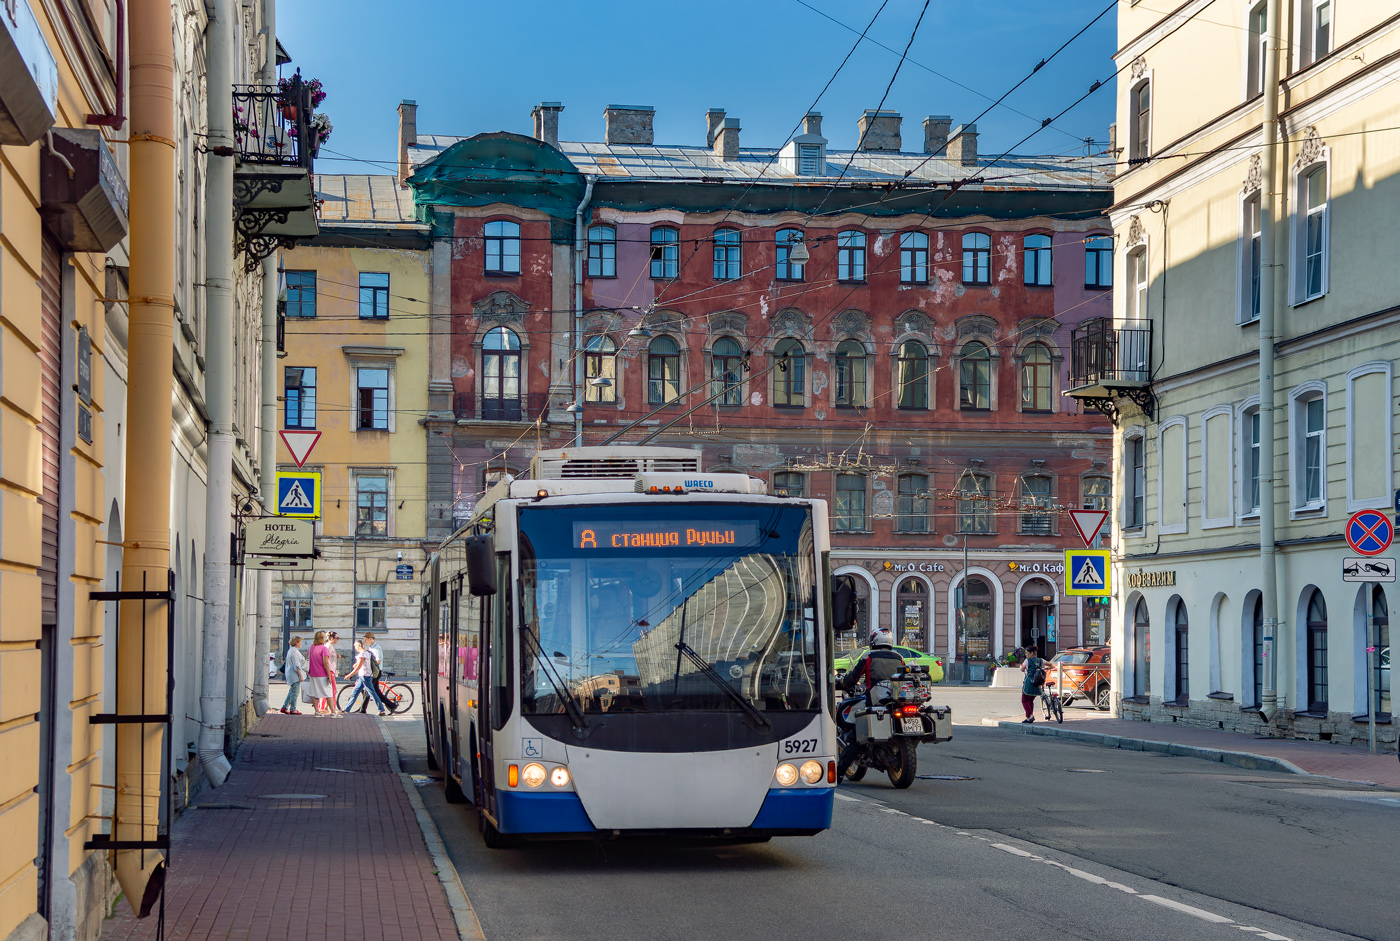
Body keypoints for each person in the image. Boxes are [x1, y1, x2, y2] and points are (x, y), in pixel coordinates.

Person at [838, 629, 906, 701]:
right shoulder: (899, 658)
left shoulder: (869, 656)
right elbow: (904, 676)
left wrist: (844, 682)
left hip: (873, 698)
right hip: (896, 699)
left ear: (875, 640)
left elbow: (855, 675)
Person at [344, 639, 388, 716]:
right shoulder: (367, 653)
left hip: (365, 676)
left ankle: (381, 710)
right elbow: (360, 665)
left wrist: (350, 675)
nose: (355, 648)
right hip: (363, 676)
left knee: (372, 693)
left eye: (355, 646)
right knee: (355, 693)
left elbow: (358, 667)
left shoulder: (363, 654)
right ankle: (346, 710)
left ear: (358, 645)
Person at [303, 630, 333, 717]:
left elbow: (308, 655)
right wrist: (329, 675)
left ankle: (317, 711)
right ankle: (333, 712)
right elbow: (325, 663)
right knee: (328, 693)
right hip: (322, 674)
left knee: (314, 693)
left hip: (312, 673)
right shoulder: (324, 649)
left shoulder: (311, 647)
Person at [355, 631, 385, 714]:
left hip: (375, 672)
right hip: (371, 673)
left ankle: (364, 710)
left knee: (369, 691)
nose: (365, 642)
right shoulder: (370, 648)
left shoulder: (377, 648)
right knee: (374, 691)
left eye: (366, 640)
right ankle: (391, 706)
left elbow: (378, 661)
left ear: (370, 639)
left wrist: (369, 666)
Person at [281, 636, 307, 714]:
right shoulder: (294, 652)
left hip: (291, 673)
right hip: (294, 675)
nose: (301, 643)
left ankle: (285, 707)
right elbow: (297, 665)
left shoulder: (292, 650)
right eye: (300, 642)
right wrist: (301, 676)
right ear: (296, 643)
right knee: (295, 692)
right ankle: (293, 708)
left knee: (292, 691)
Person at [1020, 645, 1047, 722]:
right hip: (1037, 682)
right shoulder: (1041, 660)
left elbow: (1022, 669)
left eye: (1027, 653)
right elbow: (1050, 664)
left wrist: (1023, 668)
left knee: (1024, 700)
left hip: (1029, 682)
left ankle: (1030, 715)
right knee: (1030, 700)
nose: (1026, 654)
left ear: (1032, 653)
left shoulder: (1027, 661)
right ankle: (1028, 717)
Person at [325, 631, 343, 716]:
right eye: (337, 638)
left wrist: (336, 657)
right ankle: (331, 708)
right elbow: (326, 660)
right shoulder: (328, 646)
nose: (338, 640)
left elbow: (331, 658)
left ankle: (324, 708)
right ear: (332, 639)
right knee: (332, 690)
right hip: (330, 670)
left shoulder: (330, 646)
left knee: (329, 690)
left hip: (332, 670)